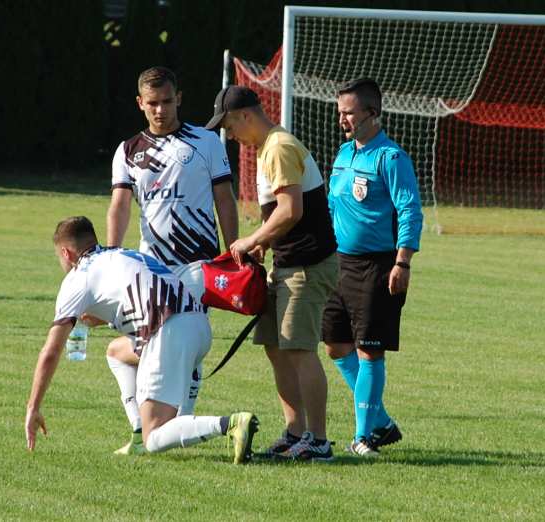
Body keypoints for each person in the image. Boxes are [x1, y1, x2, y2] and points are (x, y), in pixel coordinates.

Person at [24, 216, 258, 464]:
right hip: (199, 326)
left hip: (169, 332)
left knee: (155, 437)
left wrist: (33, 406)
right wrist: (103, 319)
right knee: (116, 352)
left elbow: (52, 350)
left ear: (66, 252)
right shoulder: (121, 254)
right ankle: (137, 432)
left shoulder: (78, 277)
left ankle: (230, 423)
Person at [105, 66, 238, 454]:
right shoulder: (128, 150)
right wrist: (112, 257)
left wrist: (233, 254)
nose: (160, 110)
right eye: (152, 104)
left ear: (179, 98)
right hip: (151, 269)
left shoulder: (207, 142)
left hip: (198, 264)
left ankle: (177, 424)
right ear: (140, 104)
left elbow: (224, 200)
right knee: (143, 347)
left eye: (166, 101)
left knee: (181, 342)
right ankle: (145, 428)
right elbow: (120, 206)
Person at [205, 86, 338, 462]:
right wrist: (265, 243)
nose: (229, 135)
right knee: (277, 348)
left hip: (307, 266)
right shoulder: (267, 149)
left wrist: (251, 240)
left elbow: (291, 210)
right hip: (288, 263)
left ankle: (319, 441)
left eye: (229, 126)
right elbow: (282, 216)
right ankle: (295, 432)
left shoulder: (278, 147)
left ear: (245, 115)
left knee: (298, 349)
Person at [323, 78, 423, 457]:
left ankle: (364, 436)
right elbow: (334, 208)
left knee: (369, 350)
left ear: (371, 113)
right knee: (334, 345)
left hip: (378, 266)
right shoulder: (343, 154)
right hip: (339, 265)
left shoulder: (391, 158)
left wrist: (403, 261)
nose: (342, 120)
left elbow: (410, 209)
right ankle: (378, 418)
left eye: (348, 112)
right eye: (340, 112)